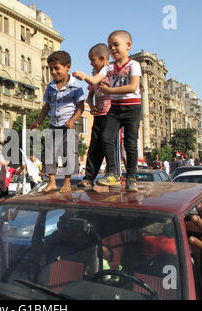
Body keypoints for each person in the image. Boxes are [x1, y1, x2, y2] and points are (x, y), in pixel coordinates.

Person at [73, 30, 142, 192]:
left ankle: (131, 177)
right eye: (110, 46)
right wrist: (83, 76)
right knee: (103, 140)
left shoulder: (134, 65)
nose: (113, 49)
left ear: (128, 46)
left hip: (131, 107)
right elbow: (94, 81)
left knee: (129, 143)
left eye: (116, 45)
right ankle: (111, 173)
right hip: (113, 110)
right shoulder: (109, 68)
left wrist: (110, 91)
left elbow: (133, 87)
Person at [30, 50, 85, 193]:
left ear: (67, 67)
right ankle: (52, 181)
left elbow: (81, 107)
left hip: (69, 126)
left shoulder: (76, 86)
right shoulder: (50, 87)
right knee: (49, 153)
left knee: (70, 152)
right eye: (51, 69)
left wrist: (73, 120)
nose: (54, 72)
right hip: (54, 125)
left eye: (57, 68)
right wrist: (38, 122)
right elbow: (46, 106)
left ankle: (67, 181)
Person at [79, 43, 111, 189]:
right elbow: (90, 96)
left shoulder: (111, 73)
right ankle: (89, 178)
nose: (91, 63)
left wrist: (83, 76)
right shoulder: (96, 78)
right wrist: (91, 107)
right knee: (94, 147)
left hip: (111, 116)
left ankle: (112, 174)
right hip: (99, 115)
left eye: (93, 60)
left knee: (109, 145)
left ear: (102, 58)